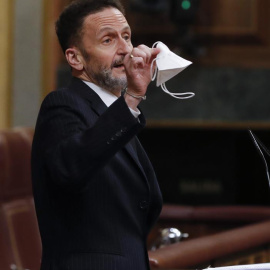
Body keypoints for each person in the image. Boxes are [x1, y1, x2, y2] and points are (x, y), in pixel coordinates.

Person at [31, 0, 163, 269]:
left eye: (126, 36)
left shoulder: (114, 114)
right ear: (75, 58)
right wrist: (131, 100)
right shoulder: (63, 104)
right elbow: (71, 167)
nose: (126, 49)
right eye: (108, 40)